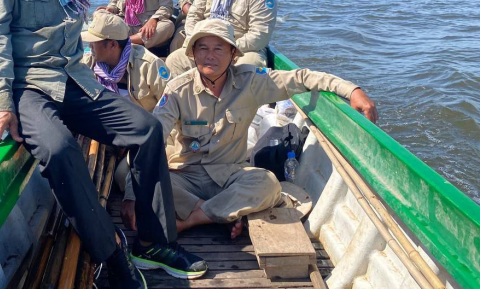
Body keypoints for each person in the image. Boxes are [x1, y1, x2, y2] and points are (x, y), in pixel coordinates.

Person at [0, 0, 207, 288]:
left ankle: (152, 241)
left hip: (74, 77)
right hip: (29, 85)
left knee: (147, 129)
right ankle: (111, 254)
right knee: (60, 149)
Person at [123, 19, 378, 239]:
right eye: (203, 48)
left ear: (233, 54)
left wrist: (352, 90)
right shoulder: (178, 89)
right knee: (145, 181)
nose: (210, 55)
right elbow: (153, 139)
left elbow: (302, 78)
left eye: (218, 48)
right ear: (193, 54)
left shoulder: (252, 81)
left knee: (267, 183)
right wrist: (132, 195)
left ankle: (191, 220)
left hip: (229, 175)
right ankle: (222, 213)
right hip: (185, 175)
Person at [81, 10, 171, 192]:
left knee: (123, 177)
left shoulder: (149, 65)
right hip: (108, 131)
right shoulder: (91, 61)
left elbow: (170, 109)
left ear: (113, 45)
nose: (90, 46)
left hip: (142, 135)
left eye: (94, 42)